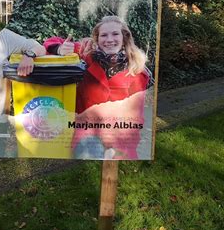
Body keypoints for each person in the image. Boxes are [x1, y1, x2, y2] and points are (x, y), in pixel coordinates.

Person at [44, 16, 149, 159]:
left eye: (115, 34)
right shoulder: (86, 54)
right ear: (97, 39)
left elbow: (136, 118)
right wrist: (60, 49)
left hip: (118, 136)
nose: (109, 39)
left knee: (113, 160)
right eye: (104, 35)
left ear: (124, 37)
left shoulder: (136, 71)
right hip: (87, 133)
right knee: (91, 155)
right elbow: (51, 42)